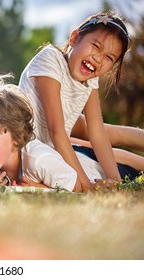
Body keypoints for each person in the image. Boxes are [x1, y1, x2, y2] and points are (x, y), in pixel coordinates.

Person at [18, 11, 143, 192]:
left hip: (54, 151)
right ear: (75, 37)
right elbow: (57, 130)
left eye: (108, 58)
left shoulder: (90, 79)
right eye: (95, 46)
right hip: (29, 149)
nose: (98, 59)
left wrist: (115, 182)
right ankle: (46, 183)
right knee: (65, 168)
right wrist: (86, 186)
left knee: (108, 168)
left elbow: (97, 132)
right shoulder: (50, 59)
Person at [0, 74, 142, 192]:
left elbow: (83, 191)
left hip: (110, 173)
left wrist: (42, 189)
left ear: (17, 138)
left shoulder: (39, 160)